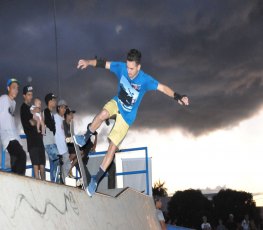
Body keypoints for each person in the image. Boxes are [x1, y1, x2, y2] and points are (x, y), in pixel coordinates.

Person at [73, 49, 189, 196]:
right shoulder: (121, 67)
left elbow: (163, 88)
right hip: (117, 103)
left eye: (132, 68)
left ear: (138, 67)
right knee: (103, 114)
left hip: (127, 118)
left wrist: (178, 96)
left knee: (112, 148)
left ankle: (95, 180)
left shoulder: (145, 80)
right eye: (127, 67)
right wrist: (88, 62)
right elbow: (103, 63)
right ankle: (85, 137)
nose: (128, 71)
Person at [0, 78, 26, 175]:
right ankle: (19, 182)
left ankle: (15, 186)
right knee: (22, 155)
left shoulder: (14, 103)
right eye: (13, 88)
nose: (16, 90)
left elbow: (10, 119)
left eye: (17, 88)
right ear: (8, 88)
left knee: (15, 163)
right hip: (7, 136)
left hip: (15, 136)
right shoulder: (3, 99)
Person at [20, 85, 46, 180]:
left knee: (42, 168)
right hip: (32, 143)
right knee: (36, 168)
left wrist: (39, 119)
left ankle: (45, 190)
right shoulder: (24, 108)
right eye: (28, 94)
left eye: (31, 95)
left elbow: (41, 123)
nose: (30, 97)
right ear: (24, 95)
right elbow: (31, 123)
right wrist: (37, 120)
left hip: (40, 142)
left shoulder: (33, 108)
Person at [54, 99, 71, 183]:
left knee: (68, 165)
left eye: (65, 108)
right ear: (58, 108)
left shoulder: (63, 120)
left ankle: (62, 182)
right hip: (58, 147)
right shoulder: (55, 117)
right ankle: (59, 182)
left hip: (64, 147)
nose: (63, 109)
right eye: (62, 107)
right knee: (58, 168)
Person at [43, 93, 59, 182]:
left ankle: (54, 181)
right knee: (58, 161)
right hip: (49, 142)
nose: (55, 102)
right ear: (49, 101)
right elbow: (51, 126)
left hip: (51, 142)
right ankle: (55, 182)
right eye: (53, 100)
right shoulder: (46, 112)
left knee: (53, 164)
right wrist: (53, 127)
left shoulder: (50, 113)